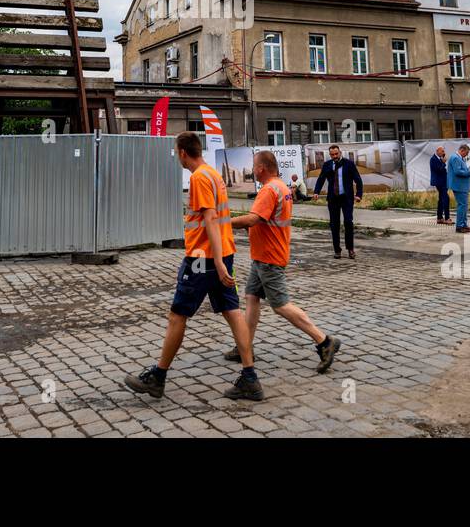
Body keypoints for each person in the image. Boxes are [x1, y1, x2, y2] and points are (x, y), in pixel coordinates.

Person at [124, 132, 262, 401]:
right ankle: (249, 377)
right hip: (224, 251)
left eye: (177, 152)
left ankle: (158, 377)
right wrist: (224, 259)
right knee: (232, 312)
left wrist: (218, 262)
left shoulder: (199, 178)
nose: (177, 157)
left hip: (203, 258)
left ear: (183, 152)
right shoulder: (214, 174)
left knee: (178, 315)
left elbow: (210, 218)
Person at [226, 151, 342, 372]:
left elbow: (253, 219)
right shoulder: (281, 186)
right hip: (263, 256)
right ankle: (245, 346)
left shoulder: (269, 190)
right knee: (251, 298)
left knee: (280, 305)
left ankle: (324, 341)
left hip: (269, 257)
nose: (252, 169)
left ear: (261, 168)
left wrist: (223, 222)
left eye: (254, 165)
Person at [312, 143, 364, 259]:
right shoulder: (327, 165)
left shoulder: (348, 164)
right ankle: (337, 250)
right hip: (333, 198)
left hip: (346, 198)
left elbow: (358, 180)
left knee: (348, 222)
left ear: (340, 153)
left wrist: (359, 195)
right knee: (334, 224)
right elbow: (321, 179)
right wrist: (316, 192)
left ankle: (350, 249)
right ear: (330, 155)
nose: (334, 156)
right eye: (332, 154)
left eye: (336, 154)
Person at [448, 144, 470, 234]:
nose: (467, 155)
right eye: (466, 153)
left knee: (463, 206)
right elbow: (457, 172)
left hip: (461, 186)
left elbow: (459, 170)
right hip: (459, 186)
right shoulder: (455, 158)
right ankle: (460, 226)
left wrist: (468, 172)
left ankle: (463, 225)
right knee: (462, 206)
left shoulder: (458, 158)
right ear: (462, 150)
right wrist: (469, 173)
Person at [430, 146, 451, 225]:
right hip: (439, 182)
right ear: (437, 151)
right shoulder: (433, 159)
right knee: (446, 198)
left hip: (443, 181)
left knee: (441, 199)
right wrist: (443, 162)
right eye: (442, 151)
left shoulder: (439, 158)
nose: (443, 153)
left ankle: (439, 218)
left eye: (443, 151)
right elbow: (439, 170)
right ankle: (447, 218)